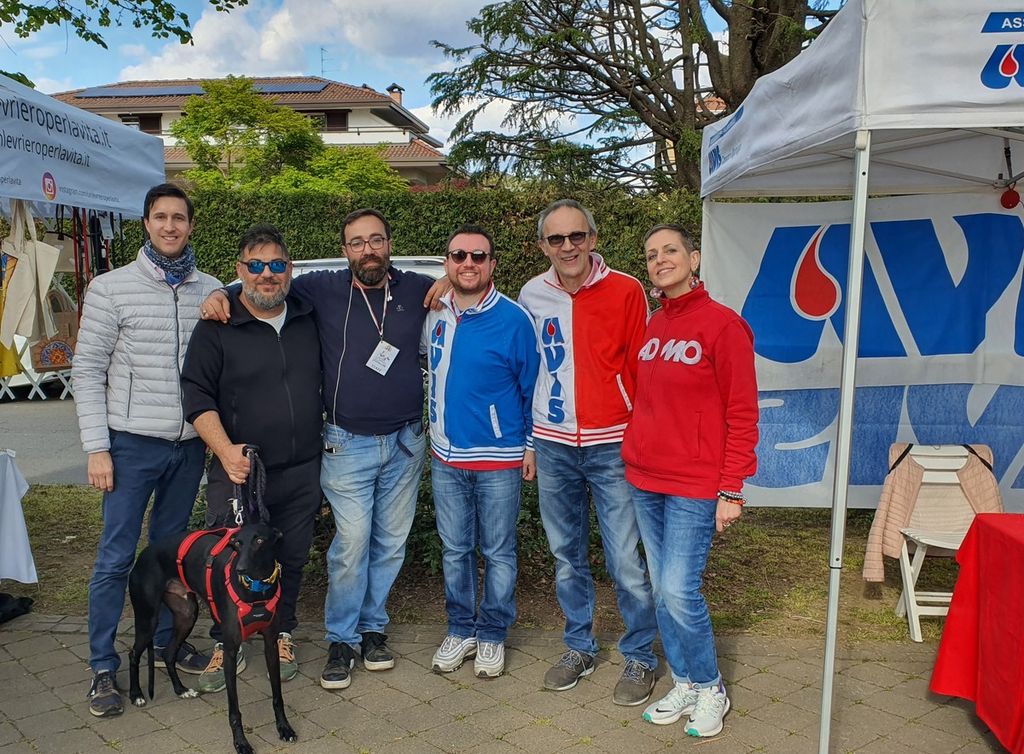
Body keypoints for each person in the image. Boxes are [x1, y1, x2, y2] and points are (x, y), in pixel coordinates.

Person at [201, 208, 447, 691]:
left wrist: (449, 283)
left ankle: (372, 630)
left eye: (376, 240)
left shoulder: (417, 288)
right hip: (346, 444)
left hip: (405, 443)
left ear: (389, 243)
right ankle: (340, 638)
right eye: (357, 242)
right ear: (345, 250)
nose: (367, 250)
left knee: (390, 544)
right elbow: (263, 284)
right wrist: (219, 294)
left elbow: (464, 282)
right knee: (351, 544)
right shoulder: (322, 288)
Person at [72, 183, 221, 718]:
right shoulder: (110, 288)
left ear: (191, 225)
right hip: (130, 445)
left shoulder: (211, 289)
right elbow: (87, 371)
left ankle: (163, 643)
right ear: (146, 224)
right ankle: (102, 665)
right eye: (160, 217)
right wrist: (97, 447)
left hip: (187, 448)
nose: (170, 226)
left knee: (170, 555)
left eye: (179, 217)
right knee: (115, 558)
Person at [517, 199, 658, 706]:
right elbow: (528, 370)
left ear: (593, 239)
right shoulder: (531, 294)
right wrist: (530, 442)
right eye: (556, 238)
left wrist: (642, 436)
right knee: (566, 557)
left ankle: (640, 655)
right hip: (553, 444)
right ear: (543, 246)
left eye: (577, 235)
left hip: (614, 443)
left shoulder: (626, 289)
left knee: (624, 559)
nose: (568, 246)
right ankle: (579, 647)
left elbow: (643, 368)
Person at [621, 224, 759, 738]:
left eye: (670, 251)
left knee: (680, 590)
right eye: (651, 254)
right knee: (662, 590)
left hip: (694, 485)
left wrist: (731, 488)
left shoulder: (724, 326)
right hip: (644, 479)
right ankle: (683, 681)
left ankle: (710, 686)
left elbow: (742, 413)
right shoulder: (654, 324)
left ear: (693, 258)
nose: (660, 260)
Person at [181, 225, 322, 692]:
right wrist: (224, 451)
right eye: (256, 265)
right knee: (229, 560)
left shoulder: (307, 315)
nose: (267, 274)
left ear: (290, 269)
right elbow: (196, 395)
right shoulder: (217, 326)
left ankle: (281, 633)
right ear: (240, 270)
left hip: (301, 468)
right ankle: (227, 641)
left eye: (276, 264)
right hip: (238, 470)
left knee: (292, 557)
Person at [423, 224, 539, 678]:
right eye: (458, 255)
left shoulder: (514, 319)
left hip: (498, 458)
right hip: (445, 458)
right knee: (454, 550)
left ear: (492, 264)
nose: (467, 263)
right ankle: (460, 628)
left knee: (498, 551)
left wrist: (530, 446)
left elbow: (532, 387)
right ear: (447, 263)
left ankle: (491, 633)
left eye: (477, 256)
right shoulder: (436, 312)